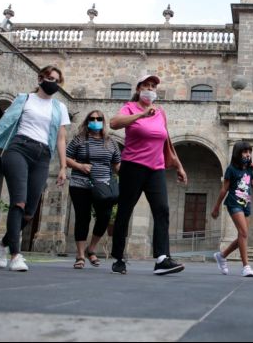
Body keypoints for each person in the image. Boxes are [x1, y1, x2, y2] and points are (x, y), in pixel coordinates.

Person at [0, 65, 70, 272]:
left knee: (30, 211)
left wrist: (63, 167)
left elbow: (61, 138)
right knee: (19, 202)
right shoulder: (24, 99)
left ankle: (3, 243)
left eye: (57, 81)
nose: (54, 83)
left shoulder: (60, 108)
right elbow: (3, 127)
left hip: (43, 155)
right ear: (40, 79)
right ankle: (15, 255)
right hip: (18, 149)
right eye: (50, 78)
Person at [109, 74, 188, 276]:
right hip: (132, 166)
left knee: (162, 210)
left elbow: (166, 142)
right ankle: (118, 258)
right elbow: (114, 123)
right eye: (146, 85)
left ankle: (162, 259)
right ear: (138, 89)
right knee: (125, 211)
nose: (150, 89)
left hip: (156, 168)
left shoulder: (160, 112)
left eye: (153, 86)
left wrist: (179, 166)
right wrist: (141, 115)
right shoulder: (129, 108)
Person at [65, 110, 121, 269]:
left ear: (103, 121)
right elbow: (66, 158)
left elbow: (117, 164)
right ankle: (80, 255)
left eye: (99, 119)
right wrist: (79, 166)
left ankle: (91, 248)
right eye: (92, 118)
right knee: (82, 218)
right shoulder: (79, 139)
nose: (95, 121)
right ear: (87, 121)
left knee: (104, 217)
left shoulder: (111, 142)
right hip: (80, 184)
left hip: (103, 187)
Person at [211, 141, 253, 277]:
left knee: (242, 235)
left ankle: (222, 256)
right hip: (234, 203)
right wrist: (216, 207)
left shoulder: (249, 169)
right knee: (243, 233)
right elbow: (224, 189)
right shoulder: (231, 169)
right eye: (245, 152)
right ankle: (246, 266)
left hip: (246, 205)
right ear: (238, 153)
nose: (248, 154)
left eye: (249, 152)